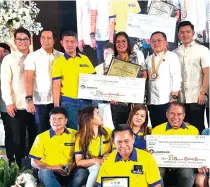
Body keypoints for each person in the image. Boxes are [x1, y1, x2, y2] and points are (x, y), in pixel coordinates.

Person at [1, 28, 37, 168]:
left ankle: (33, 167)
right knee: (17, 138)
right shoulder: (8, 59)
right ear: (15, 41)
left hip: (33, 105)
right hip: (16, 105)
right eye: (19, 39)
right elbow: (5, 83)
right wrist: (9, 103)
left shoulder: (35, 57)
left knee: (34, 136)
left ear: (30, 41)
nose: (22, 42)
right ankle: (17, 167)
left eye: (25, 39)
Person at [29, 107, 89, 187]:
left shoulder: (76, 134)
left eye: (60, 118)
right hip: (50, 172)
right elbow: (34, 162)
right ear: (49, 121)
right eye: (53, 119)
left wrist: (72, 166)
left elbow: (81, 156)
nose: (56, 122)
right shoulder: (41, 137)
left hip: (69, 171)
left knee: (83, 173)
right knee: (45, 172)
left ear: (66, 121)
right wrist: (53, 168)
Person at [52, 30, 96, 130]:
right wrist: (56, 106)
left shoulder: (85, 59)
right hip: (69, 102)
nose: (69, 44)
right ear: (62, 43)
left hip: (86, 102)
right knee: (72, 131)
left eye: (72, 41)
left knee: (87, 130)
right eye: (66, 41)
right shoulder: (58, 62)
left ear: (77, 43)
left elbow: (94, 80)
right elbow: (56, 85)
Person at [24, 28, 63, 134]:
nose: (46, 40)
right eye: (43, 38)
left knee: (58, 131)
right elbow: (28, 79)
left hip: (58, 100)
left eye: (49, 38)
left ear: (54, 40)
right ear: (40, 40)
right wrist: (29, 100)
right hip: (41, 102)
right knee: (43, 131)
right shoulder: (33, 56)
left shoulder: (61, 56)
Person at [96, 125, 161, 187]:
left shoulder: (147, 158)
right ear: (113, 142)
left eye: (126, 141)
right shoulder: (108, 160)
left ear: (133, 139)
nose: (123, 145)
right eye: (119, 142)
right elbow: (101, 185)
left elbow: (156, 185)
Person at [152, 101, 199, 187]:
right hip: (163, 163)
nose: (175, 117)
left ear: (184, 116)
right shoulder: (156, 130)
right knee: (156, 172)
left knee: (187, 173)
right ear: (167, 114)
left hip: (184, 163)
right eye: (172, 113)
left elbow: (198, 152)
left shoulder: (193, 130)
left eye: (179, 114)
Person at [174, 21, 210, 133]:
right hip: (181, 99)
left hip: (197, 97)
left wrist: (203, 93)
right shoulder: (174, 53)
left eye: (188, 32)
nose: (185, 35)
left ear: (193, 33)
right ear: (178, 35)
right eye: (182, 32)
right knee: (183, 129)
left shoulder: (202, 50)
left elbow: (207, 73)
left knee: (197, 127)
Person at [109, 31, 146, 128]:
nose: (121, 44)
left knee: (136, 128)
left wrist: (139, 93)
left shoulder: (137, 56)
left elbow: (144, 74)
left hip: (135, 100)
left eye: (123, 41)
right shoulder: (111, 59)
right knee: (121, 129)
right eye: (118, 42)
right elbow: (107, 80)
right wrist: (111, 95)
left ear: (128, 43)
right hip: (118, 101)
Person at [146, 31, 182, 128]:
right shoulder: (148, 59)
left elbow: (176, 77)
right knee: (155, 128)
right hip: (151, 101)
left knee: (167, 129)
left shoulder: (172, 56)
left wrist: (174, 97)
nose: (156, 43)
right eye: (153, 41)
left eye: (159, 40)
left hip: (167, 100)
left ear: (166, 42)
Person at [75, 105, 112, 187]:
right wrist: (94, 161)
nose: (101, 116)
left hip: (107, 163)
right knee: (96, 167)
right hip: (90, 166)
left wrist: (109, 155)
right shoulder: (80, 137)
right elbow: (79, 162)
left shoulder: (108, 132)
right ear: (91, 120)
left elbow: (116, 150)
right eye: (98, 114)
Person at [0, 43, 14, 165]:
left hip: (6, 105)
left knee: (9, 131)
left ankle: (11, 159)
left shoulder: (11, 64)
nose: (1, 54)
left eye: (4, 51)